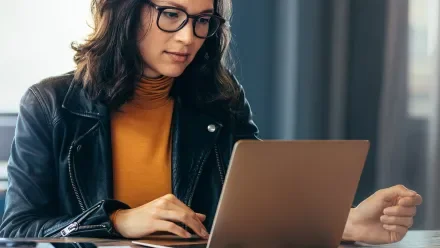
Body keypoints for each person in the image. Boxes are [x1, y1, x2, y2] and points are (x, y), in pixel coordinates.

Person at [0, 0, 422, 245]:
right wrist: (116, 222)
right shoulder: (51, 103)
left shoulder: (220, 98)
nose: (188, 37)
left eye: (203, 20)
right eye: (171, 14)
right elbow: (18, 229)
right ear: (124, 10)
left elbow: (256, 209)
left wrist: (344, 223)